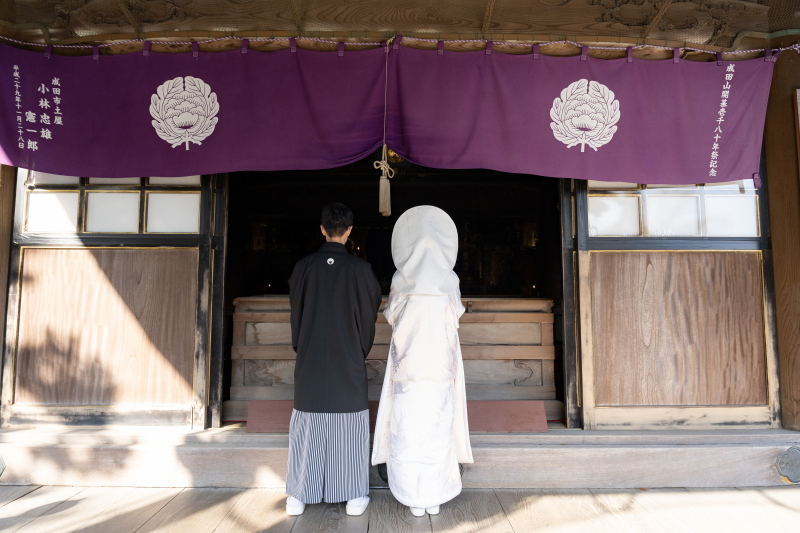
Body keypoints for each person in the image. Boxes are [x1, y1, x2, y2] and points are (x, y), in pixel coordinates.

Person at [371, 205, 473, 517]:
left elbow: (390, 316)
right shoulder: (449, 280)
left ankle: (412, 495)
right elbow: (455, 315)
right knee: (437, 426)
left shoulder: (402, 280)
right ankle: (434, 494)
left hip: (409, 366)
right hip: (441, 365)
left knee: (408, 428)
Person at [285, 202, 382, 517]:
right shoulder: (361, 270)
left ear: (322, 228)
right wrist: (358, 350)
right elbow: (368, 320)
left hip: (311, 356)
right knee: (350, 428)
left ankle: (298, 496)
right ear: (350, 231)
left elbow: (296, 317)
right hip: (348, 356)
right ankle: (353, 495)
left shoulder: (303, 267)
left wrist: (305, 347)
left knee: (307, 427)